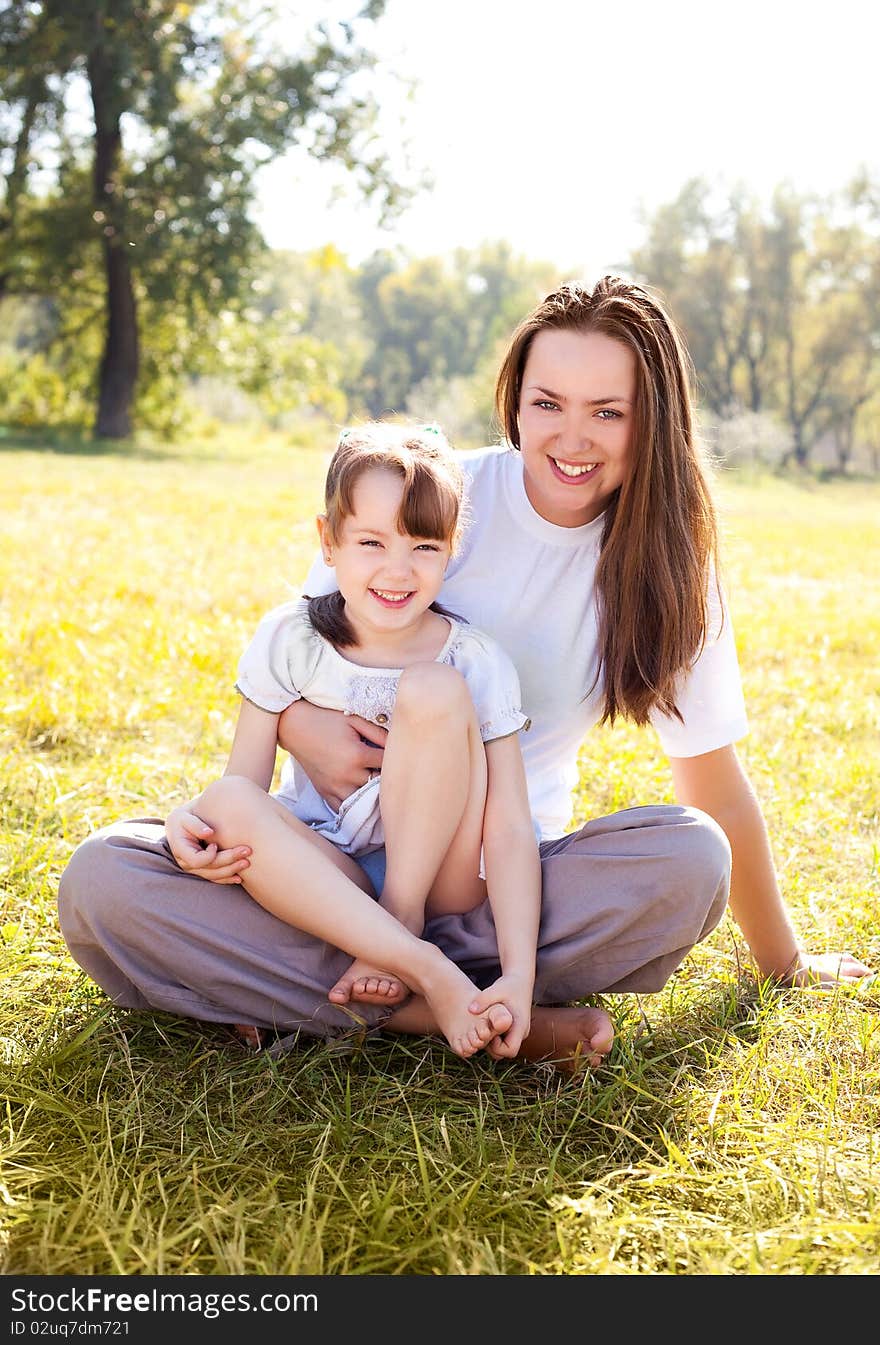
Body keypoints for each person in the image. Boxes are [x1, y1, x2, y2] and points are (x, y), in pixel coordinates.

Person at [57, 276, 871, 1074]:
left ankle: (346, 986)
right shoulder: (425, 497)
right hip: (323, 861)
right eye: (548, 402)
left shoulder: (665, 568)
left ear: (651, 420)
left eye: (608, 411)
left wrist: (783, 960)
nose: (571, 436)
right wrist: (302, 735)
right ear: (516, 400)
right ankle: (439, 1003)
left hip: (493, 891)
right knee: (106, 878)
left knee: (692, 858)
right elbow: (304, 653)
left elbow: (712, 784)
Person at [164, 420, 547, 1059]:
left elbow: (508, 827)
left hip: (441, 883)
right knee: (225, 801)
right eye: (372, 541)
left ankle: (397, 927)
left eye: (424, 547)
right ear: (329, 541)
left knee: (433, 690)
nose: (398, 571)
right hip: (327, 871)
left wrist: (521, 974)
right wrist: (194, 823)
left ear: (452, 548)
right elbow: (244, 788)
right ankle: (426, 973)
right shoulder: (291, 640)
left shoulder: (475, 661)